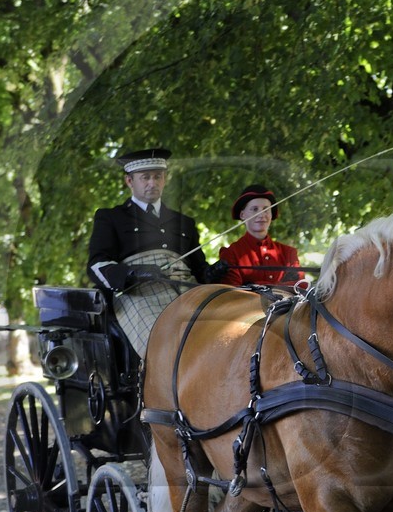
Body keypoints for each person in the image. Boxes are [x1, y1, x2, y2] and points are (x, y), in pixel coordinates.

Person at [86, 147, 212, 357]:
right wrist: (132, 273)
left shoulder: (184, 222)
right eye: (145, 177)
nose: (152, 183)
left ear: (165, 179)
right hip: (137, 292)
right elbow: (97, 264)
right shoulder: (111, 217)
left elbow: (200, 269)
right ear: (129, 181)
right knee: (163, 335)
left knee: (216, 327)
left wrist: (213, 272)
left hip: (185, 287)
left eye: (157, 176)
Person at [218, 184, 302, 288]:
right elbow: (232, 293)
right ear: (243, 215)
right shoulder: (231, 254)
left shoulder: (289, 253)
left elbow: (299, 288)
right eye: (254, 209)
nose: (261, 214)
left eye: (266, 209)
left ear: (271, 215)